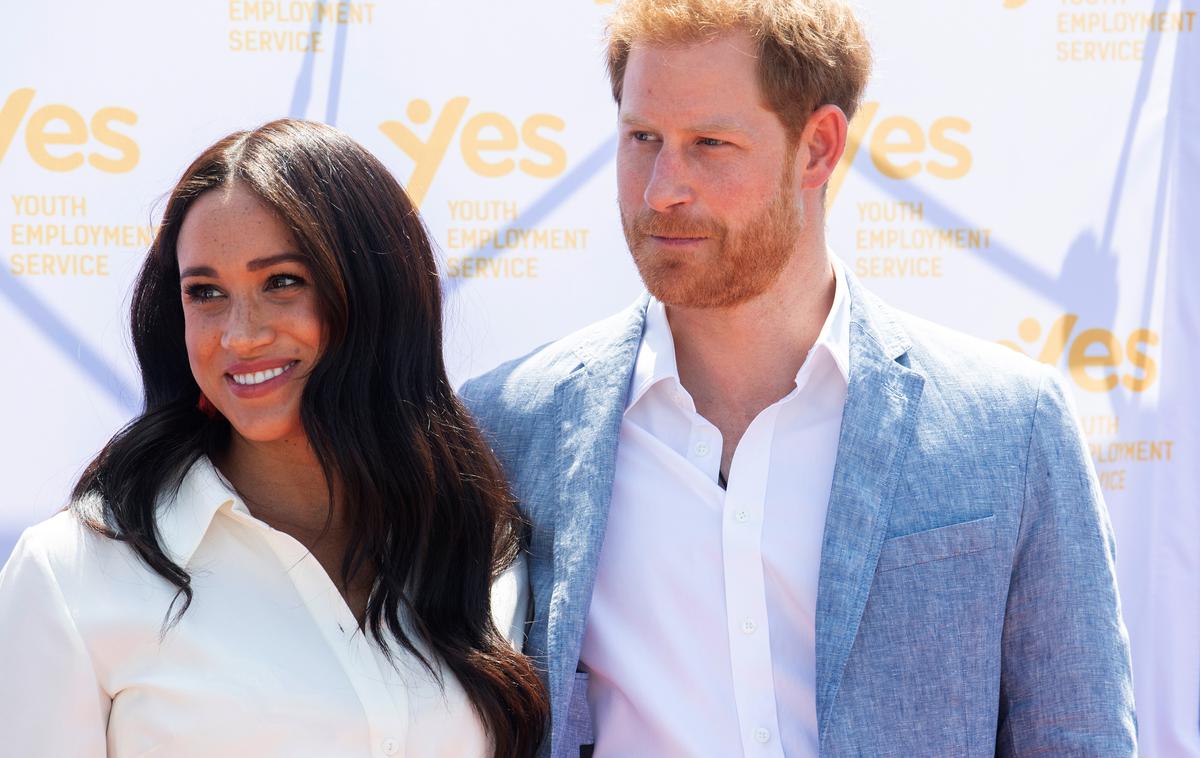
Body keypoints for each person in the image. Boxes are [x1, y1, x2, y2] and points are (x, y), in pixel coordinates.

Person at [459, 1, 1137, 756]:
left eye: (709, 144)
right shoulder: (508, 428)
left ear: (818, 147)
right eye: (642, 139)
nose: (661, 190)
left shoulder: (1008, 426)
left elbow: (1080, 737)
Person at [0, 119, 547, 757]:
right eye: (204, 293)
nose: (240, 334)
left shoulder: (482, 543)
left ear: (376, 295)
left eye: (281, 282)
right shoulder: (74, 571)